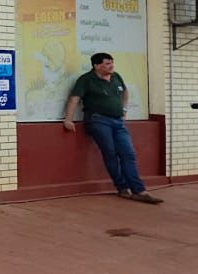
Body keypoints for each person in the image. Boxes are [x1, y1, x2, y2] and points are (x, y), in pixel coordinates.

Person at [63, 52, 163, 204]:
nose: (111, 66)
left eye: (112, 63)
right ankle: (122, 187)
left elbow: (125, 91)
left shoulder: (116, 76)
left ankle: (139, 190)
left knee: (128, 154)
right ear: (96, 66)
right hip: (98, 120)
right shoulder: (86, 80)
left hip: (118, 122)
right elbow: (74, 98)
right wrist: (68, 119)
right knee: (111, 154)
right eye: (107, 64)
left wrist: (124, 109)